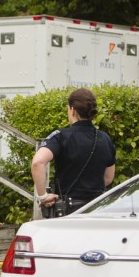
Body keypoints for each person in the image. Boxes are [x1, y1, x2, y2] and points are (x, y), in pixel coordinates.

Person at [31, 88, 116, 216]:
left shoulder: (61, 136)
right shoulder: (105, 138)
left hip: (68, 211)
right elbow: (108, 178)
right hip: (97, 210)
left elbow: (37, 162)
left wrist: (43, 196)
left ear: (72, 110)